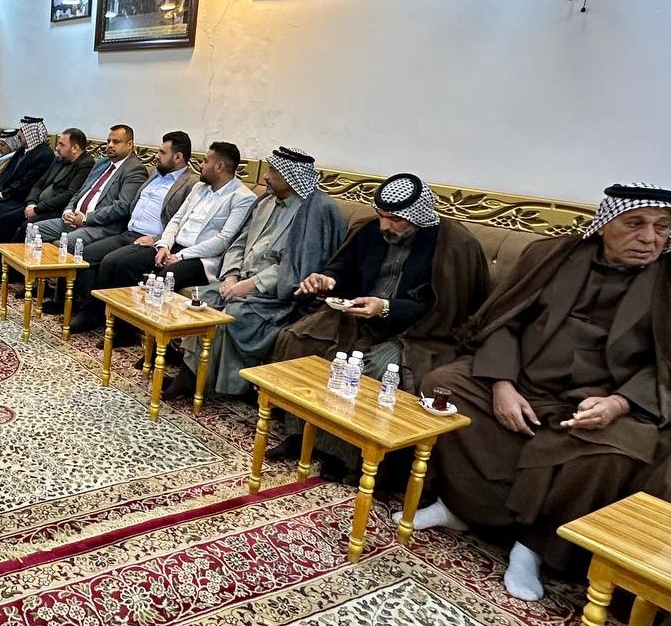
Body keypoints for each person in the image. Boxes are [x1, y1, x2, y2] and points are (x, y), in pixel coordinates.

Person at [402, 183, 671, 601]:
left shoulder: (667, 282)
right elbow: (503, 321)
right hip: (522, 378)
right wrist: (502, 384)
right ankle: (461, 506)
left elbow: (665, 365)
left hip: (601, 401)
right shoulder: (551, 256)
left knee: (612, 453)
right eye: (635, 224)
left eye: (662, 227)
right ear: (604, 224)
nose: (650, 238)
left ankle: (533, 546)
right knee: (443, 385)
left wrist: (618, 403)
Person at [270, 173, 490, 481]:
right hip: (358, 315)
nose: (384, 225)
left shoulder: (454, 246)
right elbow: (345, 268)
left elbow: (441, 307)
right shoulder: (371, 230)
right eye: (381, 215)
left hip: (417, 331)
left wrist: (386, 307)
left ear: (417, 216)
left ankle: (345, 454)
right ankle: (301, 434)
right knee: (299, 339)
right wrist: (328, 279)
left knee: (375, 368)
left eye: (394, 219)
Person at [168, 146, 347, 399]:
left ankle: (215, 385)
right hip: (240, 280)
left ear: (291, 176)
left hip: (276, 295)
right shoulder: (266, 201)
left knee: (236, 314)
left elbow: (301, 267)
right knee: (202, 301)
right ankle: (190, 373)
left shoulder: (316, 210)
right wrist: (231, 275)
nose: (265, 176)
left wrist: (251, 285)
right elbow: (239, 243)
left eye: (273, 171)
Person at [71, 141, 254, 333]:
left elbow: (223, 240)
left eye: (206, 161)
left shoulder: (242, 197)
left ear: (219, 166)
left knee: (165, 277)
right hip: (173, 246)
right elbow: (176, 220)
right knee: (127, 264)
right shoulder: (200, 187)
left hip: (201, 258)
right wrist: (164, 245)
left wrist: (180, 256)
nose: (200, 165)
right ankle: (112, 320)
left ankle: (137, 335)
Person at [43, 131, 195, 316]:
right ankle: (85, 308)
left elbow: (181, 223)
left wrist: (157, 239)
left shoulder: (189, 185)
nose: (156, 156)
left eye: (162, 152)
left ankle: (96, 314)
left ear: (178, 157)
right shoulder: (156, 174)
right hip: (128, 231)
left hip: (149, 239)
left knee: (111, 261)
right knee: (87, 254)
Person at [35, 124, 148, 248]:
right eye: (108, 141)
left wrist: (86, 219)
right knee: (35, 229)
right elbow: (80, 191)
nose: (110, 145)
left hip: (100, 226)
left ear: (129, 144)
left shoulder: (134, 170)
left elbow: (122, 207)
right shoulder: (102, 163)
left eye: (116, 142)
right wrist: (68, 211)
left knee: (69, 241)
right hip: (73, 219)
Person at [0, 128, 95, 245]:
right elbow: (39, 184)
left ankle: (10, 256)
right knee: (6, 218)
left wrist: (37, 209)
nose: (57, 148)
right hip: (36, 206)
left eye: (62, 144)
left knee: (26, 227)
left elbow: (69, 194)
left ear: (75, 148)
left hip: (55, 210)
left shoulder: (86, 164)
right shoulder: (59, 159)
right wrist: (31, 203)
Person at [0, 118, 54, 227]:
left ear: (32, 133)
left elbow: (27, 184)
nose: (18, 134)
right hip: (8, 194)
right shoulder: (22, 150)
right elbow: (5, 175)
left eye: (22, 131)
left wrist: (1, 194)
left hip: (20, 199)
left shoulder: (44, 154)